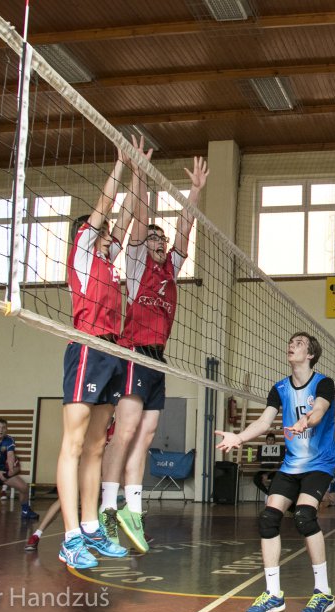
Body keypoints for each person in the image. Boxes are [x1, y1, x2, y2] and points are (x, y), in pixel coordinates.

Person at [99, 151, 207, 554]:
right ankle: (108, 509)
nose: (159, 243)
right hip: (133, 353)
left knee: (145, 438)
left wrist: (194, 191)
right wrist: (141, 175)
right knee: (124, 433)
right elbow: (142, 217)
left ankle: (133, 510)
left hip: (157, 358)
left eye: (162, 240)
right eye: (153, 239)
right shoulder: (136, 262)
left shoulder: (170, 269)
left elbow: (185, 228)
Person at [216, 332, 335, 612]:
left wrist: (306, 420)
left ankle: (323, 592)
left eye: (299, 343)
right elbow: (263, 421)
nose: (292, 346)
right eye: (291, 342)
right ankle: (273, 594)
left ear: (310, 354)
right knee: (268, 519)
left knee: (304, 516)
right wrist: (239, 437)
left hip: (319, 464)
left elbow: (320, 409)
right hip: (291, 465)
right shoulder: (280, 388)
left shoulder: (323, 383)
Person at [57, 143, 138, 568]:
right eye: (104, 232)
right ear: (88, 235)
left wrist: (140, 177)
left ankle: (91, 527)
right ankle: (70, 538)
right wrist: (121, 165)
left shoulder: (108, 261)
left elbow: (124, 219)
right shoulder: (84, 252)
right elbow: (106, 209)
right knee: (73, 444)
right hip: (87, 347)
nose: (111, 236)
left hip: (111, 352)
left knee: (94, 447)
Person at [254, 432, 285, 498]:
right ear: (266, 441)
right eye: (269, 440)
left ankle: (270, 495)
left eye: (272, 440)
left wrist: (267, 474)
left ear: (274, 442)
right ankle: (268, 494)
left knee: (276, 479)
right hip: (262, 471)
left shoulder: (278, 451)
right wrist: (256, 458)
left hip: (273, 471)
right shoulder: (261, 450)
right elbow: (257, 461)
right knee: (255, 479)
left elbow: (279, 466)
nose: (270, 441)